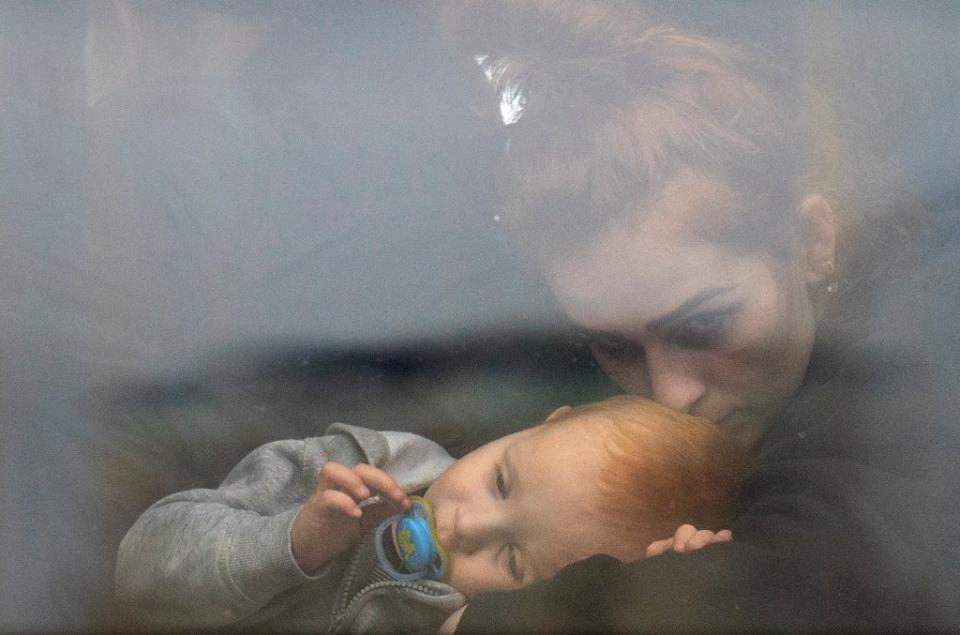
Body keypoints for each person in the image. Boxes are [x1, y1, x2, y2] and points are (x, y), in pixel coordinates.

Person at [432, 1, 960, 632]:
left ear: (811, 240)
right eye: (612, 346)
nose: (668, 395)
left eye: (702, 325)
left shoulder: (916, 375)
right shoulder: (544, 379)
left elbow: (801, 589)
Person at [114, 395, 742, 632]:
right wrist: (291, 543)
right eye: (501, 481)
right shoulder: (353, 468)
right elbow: (138, 571)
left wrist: (652, 600)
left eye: (514, 561)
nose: (466, 528)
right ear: (542, 422)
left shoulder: (471, 624)